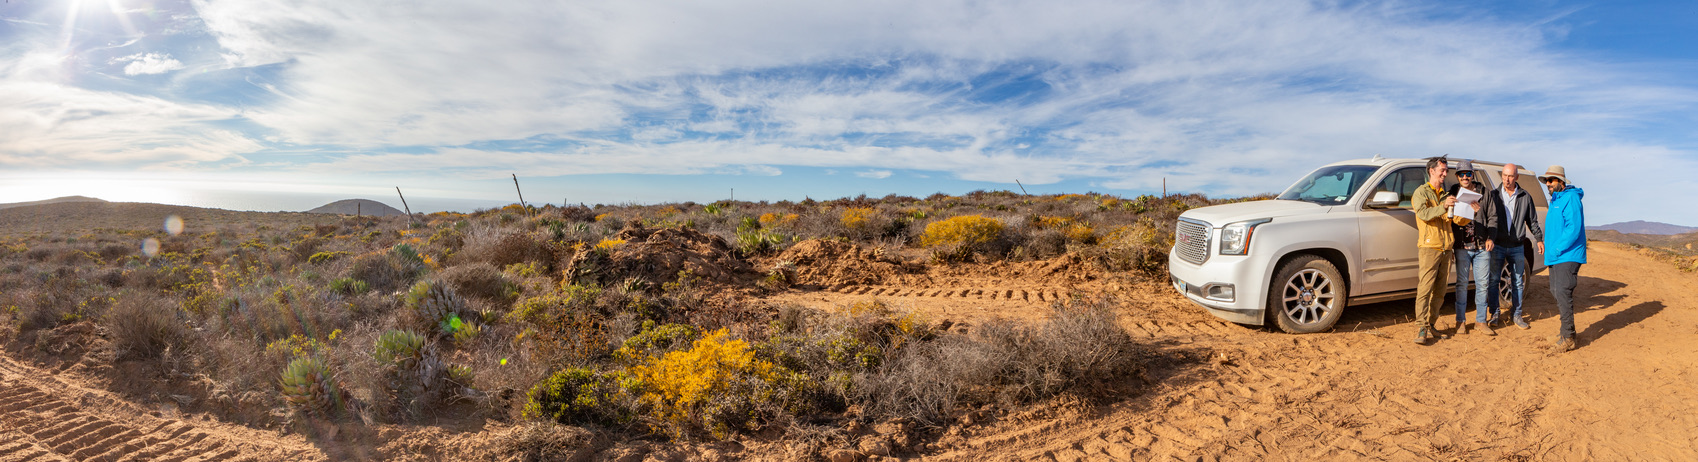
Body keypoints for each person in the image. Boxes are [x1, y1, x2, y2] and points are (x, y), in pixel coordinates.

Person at [1487, 163, 1543, 330]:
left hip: (1517, 245)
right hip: (1498, 245)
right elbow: (1487, 218)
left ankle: (1517, 314)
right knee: (1493, 280)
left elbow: (1532, 221)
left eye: (1510, 176)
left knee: (1518, 281)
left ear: (1516, 177)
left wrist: (1539, 239)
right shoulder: (1494, 195)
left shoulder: (1525, 197)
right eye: (1504, 175)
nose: (1507, 179)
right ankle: (1495, 313)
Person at [1447, 160, 1496, 335]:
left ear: (1472, 175)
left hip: (1482, 246)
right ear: (1457, 176)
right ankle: (1460, 321)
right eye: (1461, 174)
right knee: (1461, 284)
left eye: (1468, 173)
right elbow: (1449, 220)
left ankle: (1481, 321)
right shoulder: (1453, 192)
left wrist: (1491, 237)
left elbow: (1493, 217)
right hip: (1462, 246)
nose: (1465, 177)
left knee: (1482, 284)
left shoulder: (1484, 193)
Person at [1412, 156, 1457, 344]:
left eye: (1446, 171)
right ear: (1431, 170)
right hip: (1430, 247)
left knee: (1440, 290)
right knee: (1425, 288)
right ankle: (1422, 328)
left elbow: (1453, 221)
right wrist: (1442, 207)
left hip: (1446, 247)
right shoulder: (1421, 192)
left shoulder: (1446, 195)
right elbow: (1423, 214)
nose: (1445, 174)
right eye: (1442, 170)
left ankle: (1431, 324)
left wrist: (1468, 212)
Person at [1541, 165, 1585, 353]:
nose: (1548, 184)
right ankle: (1566, 333)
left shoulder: (1571, 198)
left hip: (1567, 254)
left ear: (1561, 181)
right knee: (1555, 290)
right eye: (1546, 181)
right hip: (1556, 255)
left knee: (1562, 291)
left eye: (1551, 180)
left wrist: (1558, 247)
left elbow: (1573, 228)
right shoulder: (1556, 200)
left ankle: (1568, 338)